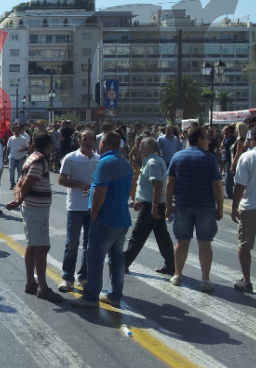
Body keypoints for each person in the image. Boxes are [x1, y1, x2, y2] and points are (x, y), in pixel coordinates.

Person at [71, 132, 133, 308]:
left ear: (103, 144)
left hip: (106, 218)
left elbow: (100, 191)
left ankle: (91, 297)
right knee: (117, 258)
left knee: (95, 257)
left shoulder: (105, 163)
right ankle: (115, 294)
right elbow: (129, 190)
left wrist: (94, 212)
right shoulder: (125, 163)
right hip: (122, 218)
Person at [5, 131, 63, 302]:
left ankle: (31, 282)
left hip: (33, 208)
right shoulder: (39, 160)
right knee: (42, 247)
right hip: (36, 209)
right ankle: (42, 287)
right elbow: (27, 183)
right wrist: (18, 200)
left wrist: (17, 199)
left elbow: (19, 183)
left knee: (33, 245)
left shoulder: (31, 158)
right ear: (49, 145)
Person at [165, 127, 223, 292]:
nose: (209, 141)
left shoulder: (177, 157)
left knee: (182, 241)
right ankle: (205, 279)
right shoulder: (209, 158)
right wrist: (220, 207)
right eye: (206, 138)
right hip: (205, 205)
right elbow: (217, 186)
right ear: (199, 140)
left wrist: (168, 206)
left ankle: (177, 275)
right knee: (204, 242)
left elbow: (169, 184)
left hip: (183, 205)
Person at [123, 137, 175, 275]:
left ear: (150, 148)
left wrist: (154, 206)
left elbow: (157, 186)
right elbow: (145, 185)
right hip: (151, 203)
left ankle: (123, 263)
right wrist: (138, 199)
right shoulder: (150, 161)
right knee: (162, 236)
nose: (139, 149)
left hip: (151, 205)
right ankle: (171, 265)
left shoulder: (153, 163)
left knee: (137, 235)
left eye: (141, 146)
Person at [57, 129, 99, 292]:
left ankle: (84, 276)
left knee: (90, 244)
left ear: (94, 141)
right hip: (75, 207)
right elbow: (61, 180)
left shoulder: (99, 159)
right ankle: (67, 278)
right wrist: (79, 184)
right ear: (79, 140)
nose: (88, 141)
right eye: (85, 138)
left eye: (91, 139)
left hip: (92, 207)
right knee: (72, 244)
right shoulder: (70, 158)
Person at [231, 126, 256, 293]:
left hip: (250, 206)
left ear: (253, 140)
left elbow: (240, 185)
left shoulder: (247, 157)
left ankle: (247, 281)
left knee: (244, 246)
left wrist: (234, 207)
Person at [6, 124, 31, 189]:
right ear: (13, 131)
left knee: (19, 171)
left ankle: (18, 183)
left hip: (21, 157)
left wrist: (22, 149)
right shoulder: (11, 138)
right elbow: (8, 148)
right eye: (15, 130)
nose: (16, 132)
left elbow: (27, 147)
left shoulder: (24, 139)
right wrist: (6, 158)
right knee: (11, 169)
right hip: (12, 156)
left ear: (20, 131)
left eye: (18, 130)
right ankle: (12, 184)